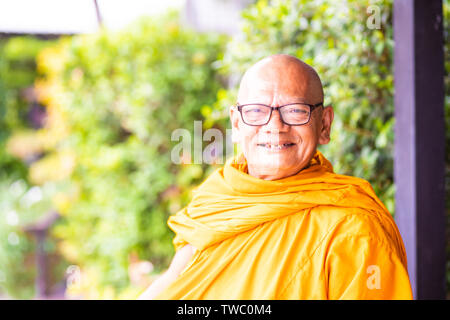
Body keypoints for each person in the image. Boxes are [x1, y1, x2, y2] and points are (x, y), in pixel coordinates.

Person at [138, 54, 413, 300]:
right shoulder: (219, 199)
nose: (275, 126)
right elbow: (173, 284)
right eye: (256, 111)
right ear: (236, 123)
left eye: (295, 110)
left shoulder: (355, 230)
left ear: (324, 125)